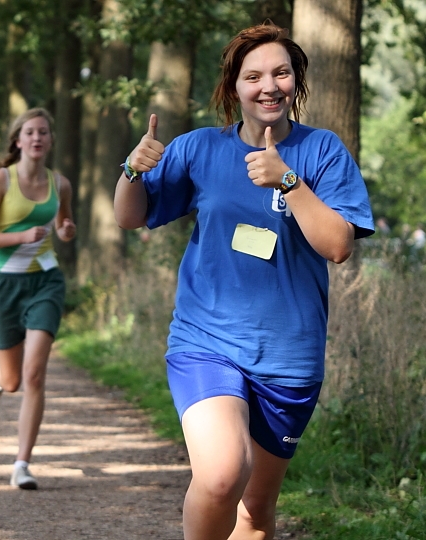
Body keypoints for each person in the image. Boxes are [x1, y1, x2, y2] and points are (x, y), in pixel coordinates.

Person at [113, 23, 374, 540]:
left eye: (280, 72)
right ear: (235, 88)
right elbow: (130, 216)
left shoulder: (322, 151)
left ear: (295, 81)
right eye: (253, 76)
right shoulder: (200, 149)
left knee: (255, 511)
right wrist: (131, 169)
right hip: (206, 341)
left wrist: (287, 180)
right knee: (222, 474)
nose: (268, 86)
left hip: (289, 356)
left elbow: (338, 246)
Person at [0, 108, 76, 490]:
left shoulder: (59, 184)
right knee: (13, 380)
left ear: (49, 140)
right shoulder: (1, 180)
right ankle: (1, 374)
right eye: (30, 132)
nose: (37, 138)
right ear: (18, 140)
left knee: (34, 374)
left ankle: (22, 463)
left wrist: (65, 230)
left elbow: (63, 228)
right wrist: (19, 236)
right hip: (3, 284)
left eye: (43, 132)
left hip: (45, 282)